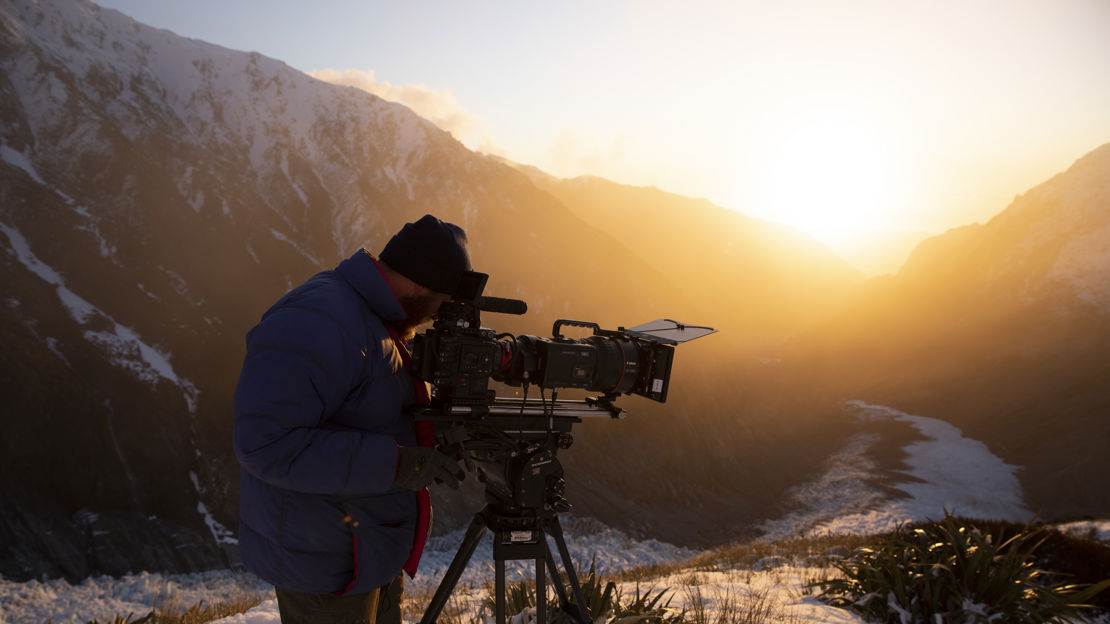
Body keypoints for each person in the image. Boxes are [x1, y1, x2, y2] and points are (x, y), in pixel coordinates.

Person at [234, 214, 471, 624]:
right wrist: (397, 464)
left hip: (366, 548)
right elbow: (265, 443)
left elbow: (369, 409)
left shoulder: (375, 318)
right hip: (324, 566)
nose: (440, 316)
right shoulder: (319, 320)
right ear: (418, 285)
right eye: (442, 303)